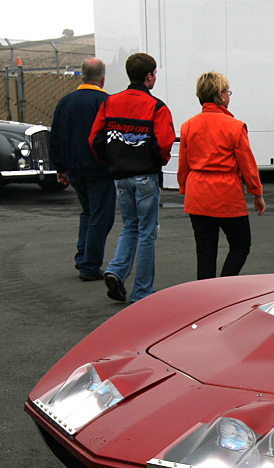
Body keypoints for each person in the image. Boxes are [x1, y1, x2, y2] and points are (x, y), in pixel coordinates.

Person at [89, 52, 176, 303]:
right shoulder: (156, 106)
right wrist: (158, 161)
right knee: (147, 233)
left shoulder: (110, 102)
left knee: (130, 226)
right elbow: (163, 143)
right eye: (155, 73)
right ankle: (142, 291)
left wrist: (111, 161)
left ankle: (116, 270)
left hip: (120, 176)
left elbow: (95, 139)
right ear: (149, 76)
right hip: (145, 176)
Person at [177, 72, 265, 279]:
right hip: (226, 194)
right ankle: (225, 282)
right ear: (221, 95)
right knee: (240, 245)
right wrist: (256, 192)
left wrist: (184, 187)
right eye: (227, 91)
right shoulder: (235, 126)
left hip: (197, 193)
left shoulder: (188, 126)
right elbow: (248, 165)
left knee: (205, 251)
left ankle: (206, 295)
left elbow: (183, 164)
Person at [49, 57, 115, 281]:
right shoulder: (105, 102)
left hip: (74, 168)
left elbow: (55, 136)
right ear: (102, 79)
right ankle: (89, 264)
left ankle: (83, 256)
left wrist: (60, 167)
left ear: (82, 75)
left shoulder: (65, 102)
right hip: (99, 168)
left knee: (88, 212)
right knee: (101, 216)